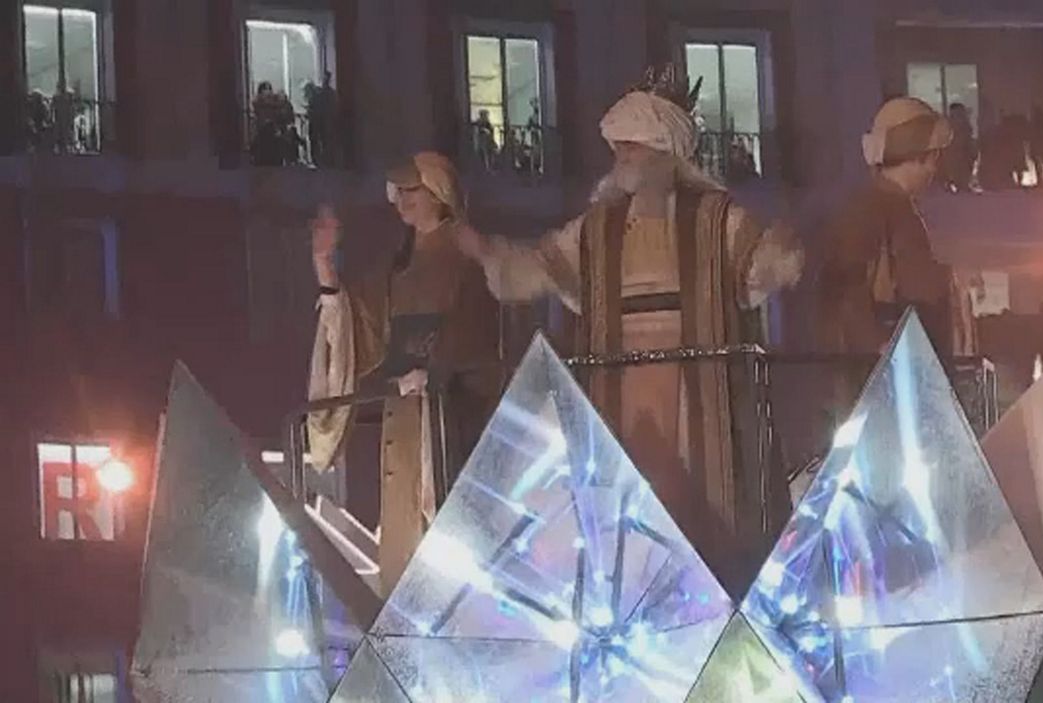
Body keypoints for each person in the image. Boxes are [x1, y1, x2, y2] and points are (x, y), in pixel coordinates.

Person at [454, 64, 803, 596]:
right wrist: (490, 254)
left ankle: (711, 598)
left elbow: (757, 271)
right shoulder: (598, 227)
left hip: (698, 395)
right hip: (618, 392)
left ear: (665, 151)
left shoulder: (718, 219)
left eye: (631, 148)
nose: (621, 157)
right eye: (618, 149)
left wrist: (781, 253)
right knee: (629, 503)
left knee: (699, 507)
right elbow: (541, 267)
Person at [307, 152, 500, 596]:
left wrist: (439, 372)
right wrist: (325, 264)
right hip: (405, 415)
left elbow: (482, 335)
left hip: (455, 414)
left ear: (438, 192)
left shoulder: (469, 256)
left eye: (413, 190)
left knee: (448, 531)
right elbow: (357, 323)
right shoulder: (397, 267)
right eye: (400, 192)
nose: (403, 199)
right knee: (404, 534)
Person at [818, 96, 976, 362]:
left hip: (906, 357)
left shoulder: (894, 207)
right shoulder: (869, 210)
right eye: (932, 157)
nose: (934, 168)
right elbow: (847, 288)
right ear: (919, 156)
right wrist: (877, 346)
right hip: (886, 367)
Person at [943, 102, 977, 192]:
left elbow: (968, 139)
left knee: (961, 172)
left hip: (963, 154)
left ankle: (961, 186)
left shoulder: (965, 126)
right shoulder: (949, 125)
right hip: (954, 154)